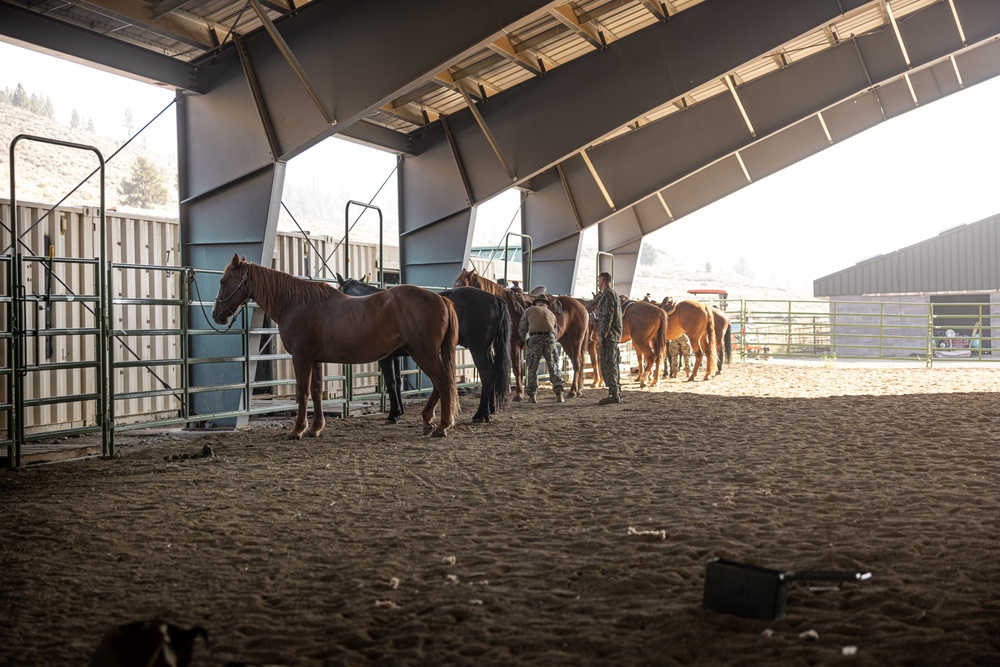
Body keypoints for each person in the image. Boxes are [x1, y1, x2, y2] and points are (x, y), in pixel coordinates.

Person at [518, 296, 565, 403]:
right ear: (546, 304)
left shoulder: (529, 310)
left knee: (532, 368)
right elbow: (556, 331)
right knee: (554, 366)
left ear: (536, 303)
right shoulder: (551, 314)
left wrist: (526, 341)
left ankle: (532, 396)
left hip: (535, 338)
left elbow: (522, 328)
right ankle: (559, 395)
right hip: (550, 339)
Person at [595, 272, 623, 404]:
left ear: (604, 280)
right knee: (613, 363)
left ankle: (613, 394)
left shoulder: (607, 294)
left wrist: (601, 336)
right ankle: (617, 392)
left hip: (609, 336)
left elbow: (607, 316)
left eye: (599, 280)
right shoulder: (614, 294)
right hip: (613, 335)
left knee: (608, 364)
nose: (598, 283)